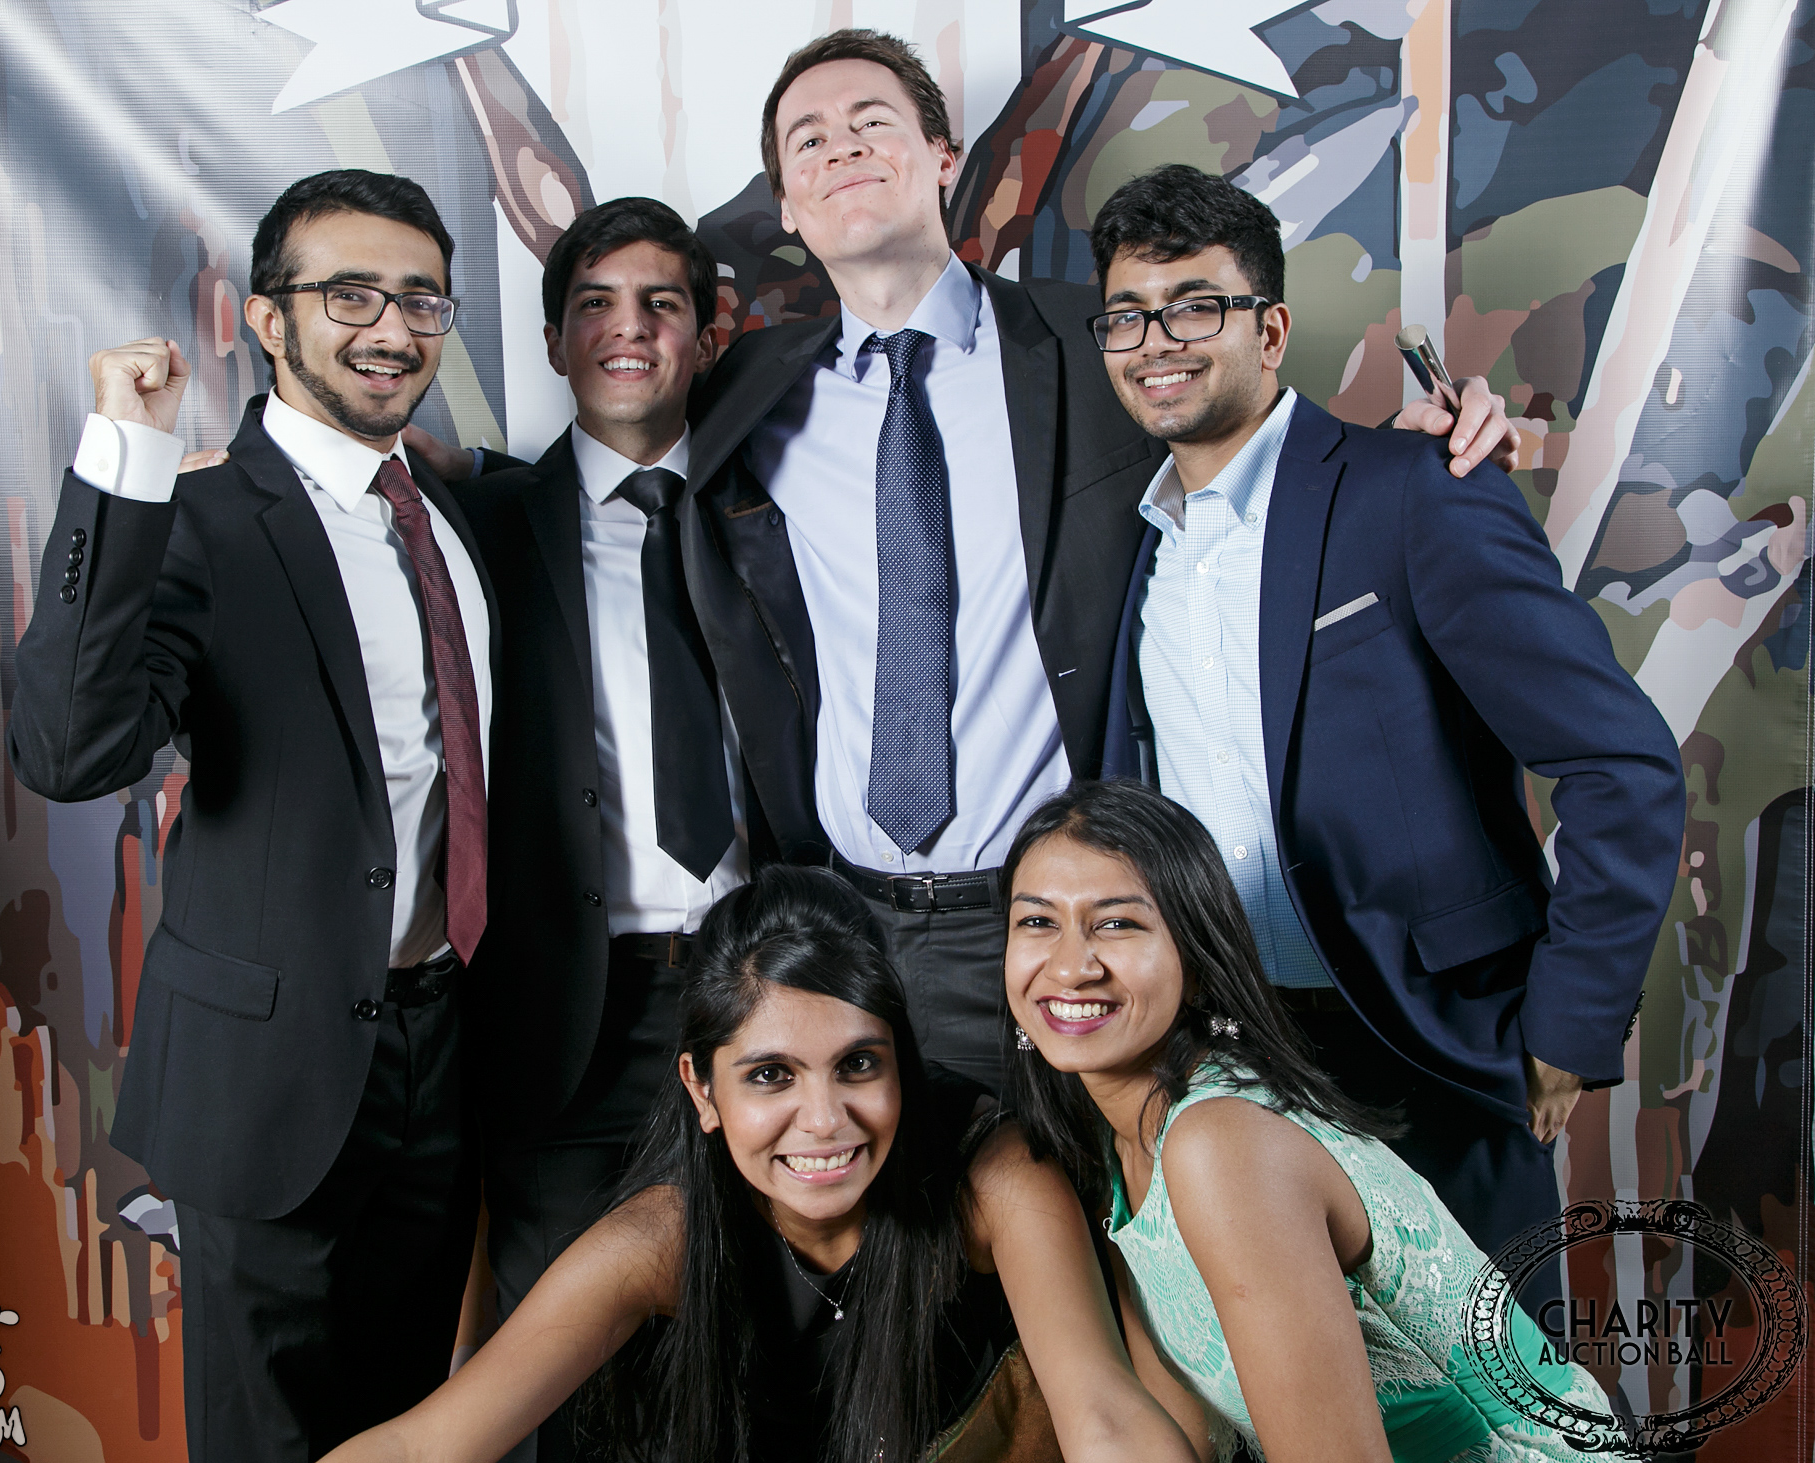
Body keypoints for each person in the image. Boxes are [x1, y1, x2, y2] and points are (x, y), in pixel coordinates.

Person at [677, 29, 1525, 1097]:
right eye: (808, 139)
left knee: (1088, 1200)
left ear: (943, 156)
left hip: (1064, 927)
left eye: (871, 121)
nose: (840, 147)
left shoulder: (1107, 339)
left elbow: (1254, 438)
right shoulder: (746, 393)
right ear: (787, 205)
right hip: (844, 925)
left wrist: (1416, 448)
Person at [1088, 164, 1684, 1297]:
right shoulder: (1132, 546)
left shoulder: (1412, 487)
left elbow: (1622, 762)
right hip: (1222, 1059)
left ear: (1270, 330)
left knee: (1493, 1378)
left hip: (1431, 1044)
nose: (1156, 341)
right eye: (1129, 314)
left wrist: (1568, 1022)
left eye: (1195, 307)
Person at [8, 169, 494, 1461]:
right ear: (267, 319)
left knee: (405, 1427)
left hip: (441, 1054)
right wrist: (126, 460)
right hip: (271, 1077)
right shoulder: (200, 515)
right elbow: (67, 748)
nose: (391, 327)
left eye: (421, 299)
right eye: (350, 294)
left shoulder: (447, 516)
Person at [328, 865, 1197, 1463]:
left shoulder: (993, 1175)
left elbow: (1105, 1415)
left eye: (859, 1064)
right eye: (771, 1075)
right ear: (701, 1089)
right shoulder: (660, 1238)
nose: (823, 1120)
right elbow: (422, 1444)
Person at [1002, 778, 1614, 1463]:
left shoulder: (1222, 1143)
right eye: (1038, 922)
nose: (1070, 966)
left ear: (1196, 963)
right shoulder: (1118, 1144)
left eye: (1118, 923)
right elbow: (1184, 1442)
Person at [439, 197, 743, 1463]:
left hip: (754, 991)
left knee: (748, 1344)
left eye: (660, 304)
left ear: (707, 334)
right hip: (571, 1005)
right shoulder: (479, 524)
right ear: (556, 340)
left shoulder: (777, 505)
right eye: (595, 306)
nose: (629, 330)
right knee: (564, 1373)